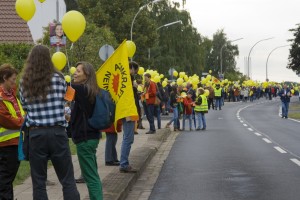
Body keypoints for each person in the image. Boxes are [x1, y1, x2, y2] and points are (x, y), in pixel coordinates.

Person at [18, 45, 79, 200]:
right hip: (57, 132)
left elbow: (25, 107)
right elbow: (65, 102)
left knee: (38, 182)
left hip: (36, 133)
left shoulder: (24, 82)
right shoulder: (59, 79)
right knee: (67, 179)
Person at [70, 61, 103, 199]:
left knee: (91, 178)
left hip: (85, 139)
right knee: (93, 174)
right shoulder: (92, 89)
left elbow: (64, 85)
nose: (74, 73)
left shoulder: (82, 89)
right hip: (91, 137)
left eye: (78, 71)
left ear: (86, 74)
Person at [0, 64, 25, 200]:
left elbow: (19, 114)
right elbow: (6, 119)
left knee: (7, 179)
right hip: (6, 144)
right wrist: (24, 123)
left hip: (15, 142)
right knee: (4, 180)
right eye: (13, 79)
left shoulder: (11, 95)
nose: (14, 82)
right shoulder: (1, 96)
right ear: (5, 78)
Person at [119, 61, 139, 173]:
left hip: (128, 111)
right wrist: (134, 87)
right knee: (128, 138)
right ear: (131, 68)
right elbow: (129, 97)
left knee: (127, 138)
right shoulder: (128, 79)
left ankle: (124, 162)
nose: (134, 73)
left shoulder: (125, 79)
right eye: (134, 71)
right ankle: (124, 163)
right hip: (128, 111)